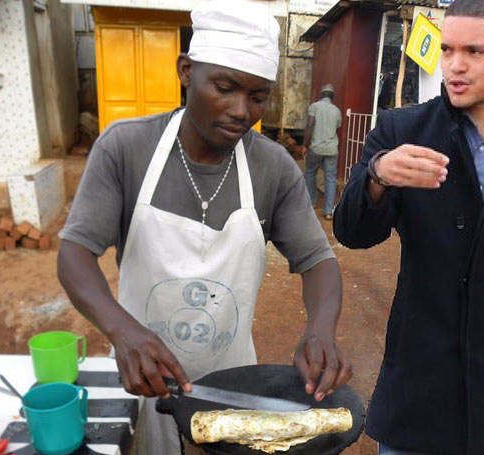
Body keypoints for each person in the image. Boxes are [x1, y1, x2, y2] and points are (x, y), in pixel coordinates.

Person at [57, 1, 352, 454]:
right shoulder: (127, 148)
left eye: (257, 96)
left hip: (232, 386)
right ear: (186, 71)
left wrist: (321, 328)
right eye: (225, 87)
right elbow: (74, 253)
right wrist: (123, 331)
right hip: (145, 382)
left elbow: (317, 261)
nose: (241, 110)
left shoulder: (271, 167)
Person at [333, 0, 484, 454]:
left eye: (475, 52)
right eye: (446, 50)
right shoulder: (404, 129)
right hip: (420, 398)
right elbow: (352, 233)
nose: (455, 66)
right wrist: (377, 177)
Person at [301, 83, 342, 220]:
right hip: (331, 149)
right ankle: (328, 211)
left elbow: (310, 125)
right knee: (330, 178)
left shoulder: (314, 107)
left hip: (316, 148)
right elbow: (337, 127)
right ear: (332, 97)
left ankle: (311, 203)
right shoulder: (336, 111)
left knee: (310, 173)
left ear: (321, 95)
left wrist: (305, 145)